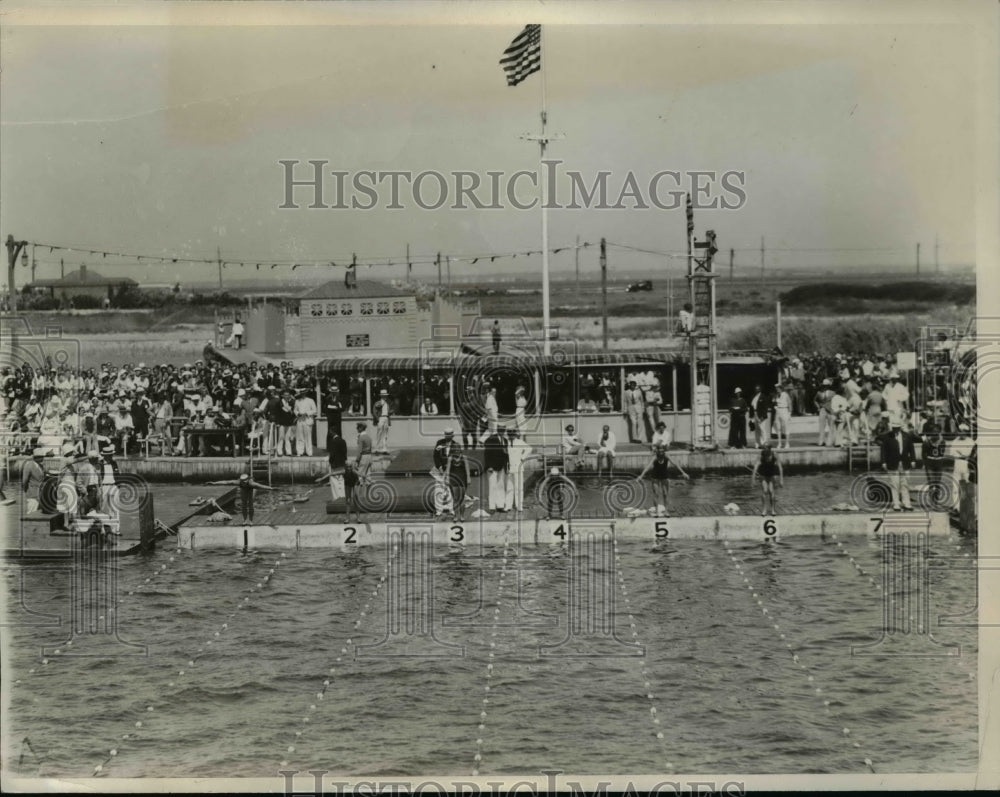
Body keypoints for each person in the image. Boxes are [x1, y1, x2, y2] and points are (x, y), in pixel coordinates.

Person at [636, 445, 689, 517]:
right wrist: (641, 476)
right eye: (659, 451)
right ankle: (657, 511)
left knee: (665, 494)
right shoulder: (655, 457)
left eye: (662, 451)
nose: (661, 452)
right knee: (656, 494)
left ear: (664, 451)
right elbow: (648, 467)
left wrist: (683, 472)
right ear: (657, 451)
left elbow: (675, 464)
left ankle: (666, 511)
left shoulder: (666, 456)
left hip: (664, 476)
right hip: (655, 477)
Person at [879, 420, 916, 511]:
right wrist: (883, 462)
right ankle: (896, 503)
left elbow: (911, 449)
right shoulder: (887, 437)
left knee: (905, 483)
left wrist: (913, 460)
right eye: (894, 428)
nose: (895, 429)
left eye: (897, 428)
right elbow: (883, 450)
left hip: (904, 463)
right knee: (895, 484)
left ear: (900, 428)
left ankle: (906, 503)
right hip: (892, 463)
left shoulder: (907, 436)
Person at [208, 472, 274, 524]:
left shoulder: (252, 483)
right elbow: (226, 482)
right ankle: (245, 520)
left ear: (247, 481)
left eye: (245, 482)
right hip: (244, 489)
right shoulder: (238, 482)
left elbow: (261, 486)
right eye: (243, 482)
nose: (244, 483)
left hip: (252, 488)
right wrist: (214, 483)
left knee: (250, 504)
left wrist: (270, 488)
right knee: (244, 504)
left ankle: (250, 520)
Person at [483, 422, 510, 513]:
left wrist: (506, 466)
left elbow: (506, 455)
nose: (502, 432)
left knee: (501, 486)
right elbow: (487, 454)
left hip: (501, 466)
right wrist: (489, 466)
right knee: (492, 487)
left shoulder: (505, 441)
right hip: (492, 467)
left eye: (503, 430)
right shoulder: (491, 439)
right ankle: (492, 507)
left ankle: (500, 505)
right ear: (497, 430)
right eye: (500, 430)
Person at [752, 443, 784, 516]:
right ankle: (764, 509)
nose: (767, 459)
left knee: (771, 491)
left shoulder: (775, 455)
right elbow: (755, 468)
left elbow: (780, 468)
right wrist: (753, 480)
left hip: (772, 474)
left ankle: (773, 510)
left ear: (770, 450)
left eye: (769, 457)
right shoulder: (761, 455)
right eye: (764, 448)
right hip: (763, 474)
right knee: (765, 490)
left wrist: (781, 480)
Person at [921, 420, 947, 509]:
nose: (935, 433)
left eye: (937, 431)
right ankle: (932, 501)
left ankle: (936, 500)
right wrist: (925, 464)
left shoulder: (942, 441)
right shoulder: (926, 441)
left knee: (938, 483)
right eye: (933, 431)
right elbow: (923, 454)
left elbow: (942, 453)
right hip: (930, 462)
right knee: (931, 483)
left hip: (938, 463)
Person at [506, 427, 532, 514]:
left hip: (518, 467)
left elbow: (529, 449)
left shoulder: (520, 442)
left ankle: (519, 505)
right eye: (510, 435)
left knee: (519, 487)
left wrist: (522, 457)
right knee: (509, 487)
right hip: (509, 467)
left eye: (513, 434)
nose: (511, 436)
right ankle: (508, 505)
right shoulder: (506, 442)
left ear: (515, 434)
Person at [325, 426, 349, 501]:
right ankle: (343, 496)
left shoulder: (333, 442)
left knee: (335, 482)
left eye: (330, 431)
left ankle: (336, 498)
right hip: (342, 464)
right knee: (341, 481)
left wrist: (330, 461)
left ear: (332, 432)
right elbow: (345, 453)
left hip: (335, 465)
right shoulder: (343, 441)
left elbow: (332, 454)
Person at [21, 448, 46, 514]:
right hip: (32, 494)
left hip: (40, 494)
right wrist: (26, 491)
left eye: (43, 457)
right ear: (36, 457)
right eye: (41, 457)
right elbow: (24, 480)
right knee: (31, 511)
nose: (43, 458)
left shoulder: (41, 466)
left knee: (38, 512)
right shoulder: (29, 465)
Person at [294, 388, 317, 456]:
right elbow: (295, 410)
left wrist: (306, 413)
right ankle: (300, 451)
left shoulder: (310, 400)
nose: (302, 394)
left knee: (308, 437)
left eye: (304, 393)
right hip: (300, 420)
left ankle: (309, 452)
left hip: (307, 420)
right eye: (301, 393)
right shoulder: (297, 401)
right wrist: (298, 413)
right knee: (299, 436)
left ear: (306, 393)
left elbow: (315, 410)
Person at [772, 383, 792, 449]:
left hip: (784, 410)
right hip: (778, 411)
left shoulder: (785, 395)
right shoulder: (776, 395)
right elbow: (774, 402)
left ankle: (787, 443)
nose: (777, 390)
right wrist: (775, 405)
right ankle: (779, 443)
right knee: (778, 428)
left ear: (781, 388)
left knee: (786, 427)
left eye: (778, 388)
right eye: (776, 389)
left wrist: (789, 413)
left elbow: (790, 403)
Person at [373, 389, 391, 454]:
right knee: (379, 433)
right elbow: (375, 411)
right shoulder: (378, 402)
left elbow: (388, 412)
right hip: (381, 418)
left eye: (385, 395)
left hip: (386, 418)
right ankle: (377, 448)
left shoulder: (387, 403)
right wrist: (378, 419)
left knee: (385, 434)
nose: (385, 397)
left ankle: (384, 448)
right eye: (383, 395)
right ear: (381, 396)